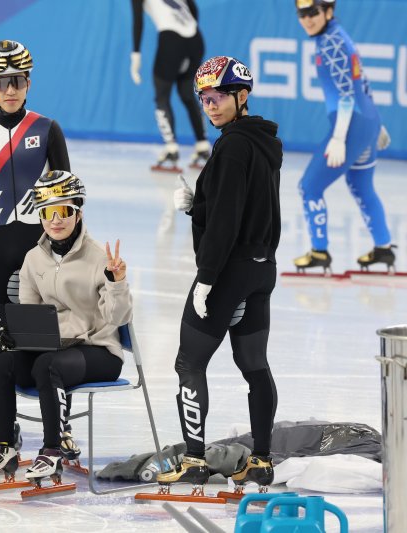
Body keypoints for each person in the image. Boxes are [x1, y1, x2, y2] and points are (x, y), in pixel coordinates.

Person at [0, 40, 79, 459]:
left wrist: (74, 255)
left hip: (40, 254)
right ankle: (5, 439)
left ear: (29, 82)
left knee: (49, 348)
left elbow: (69, 198)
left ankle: (57, 436)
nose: (11, 89)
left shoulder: (46, 129)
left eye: (19, 81)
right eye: (3, 82)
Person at [160, 56, 282, 493]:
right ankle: (262, 462)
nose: (210, 107)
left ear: (242, 96)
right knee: (254, 366)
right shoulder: (263, 141)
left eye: (218, 98)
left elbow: (229, 218)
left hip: (227, 271)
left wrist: (208, 276)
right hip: (261, 269)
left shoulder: (232, 146)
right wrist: (199, 205)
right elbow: (251, 207)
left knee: (189, 362)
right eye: (204, 99)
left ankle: (193, 460)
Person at [0, 171, 132, 484]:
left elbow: (119, 318)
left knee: (47, 366)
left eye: (63, 212)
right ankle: (4, 444)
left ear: (78, 213)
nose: (55, 220)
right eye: (47, 213)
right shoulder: (33, 259)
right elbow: (31, 317)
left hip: (98, 351)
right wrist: (14, 337)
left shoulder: (100, 258)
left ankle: (53, 450)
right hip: (54, 346)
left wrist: (117, 281)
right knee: (1, 361)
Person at [292, 0, 394, 273]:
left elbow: (347, 94)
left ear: (328, 11)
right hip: (366, 121)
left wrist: (338, 138)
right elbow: (362, 82)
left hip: (351, 126)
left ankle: (319, 251)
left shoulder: (331, 43)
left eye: (312, 12)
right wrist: (377, 124)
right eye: (301, 14)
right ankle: (384, 248)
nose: (307, 19)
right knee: (362, 186)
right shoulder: (336, 37)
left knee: (309, 187)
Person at [130, 0, 209, 170]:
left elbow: (138, 20)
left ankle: (171, 149)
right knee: (188, 94)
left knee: (162, 96)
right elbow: (193, 7)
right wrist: (189, 31)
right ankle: (203, 146)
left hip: (171, 40)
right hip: (196, 39)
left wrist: (136, 55)